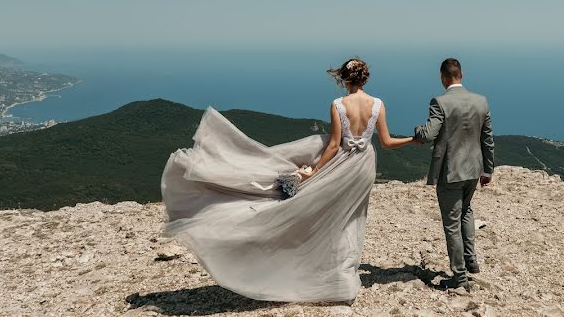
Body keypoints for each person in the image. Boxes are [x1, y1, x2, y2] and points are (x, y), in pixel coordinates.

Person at [160, 57, 415, 303]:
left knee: (332, 217)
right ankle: (344, 280)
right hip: (365, 165)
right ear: (364, 78)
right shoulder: (378, 104)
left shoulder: (338, 105)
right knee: (354, 218)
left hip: (344, 164)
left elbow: (334, 145)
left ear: (345, 79)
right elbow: (387, 142)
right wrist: (414, 140)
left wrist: (314, 173)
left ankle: (334, 279)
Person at [413, 57, 494, 291]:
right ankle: (471, 261)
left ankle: (459, 277)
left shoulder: (440, 102)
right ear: (462, 75)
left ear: (442, 77)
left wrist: (417, 130)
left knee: (451, 224)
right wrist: (487, 169)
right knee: (466, 211)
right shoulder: (481, 101)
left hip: (451, 171)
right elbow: (487, 139)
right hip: (474, 169)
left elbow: (428, 134)